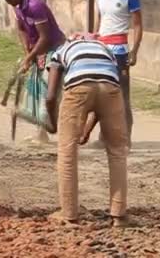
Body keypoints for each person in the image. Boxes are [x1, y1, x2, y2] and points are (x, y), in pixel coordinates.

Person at [45, 34, 130, 227]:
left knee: (67, 151)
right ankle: (119, 215)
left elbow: (50, 97)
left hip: (78, 88)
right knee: (117, 151)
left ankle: (68, 214)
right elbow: (104, 90)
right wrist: (87, 130)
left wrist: (52, 123)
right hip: (111, 90)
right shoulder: (105, 50)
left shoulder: (62, 50)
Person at [81, 0, 144, 145]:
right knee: (99, 93)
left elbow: (138, 26)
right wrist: (92, 40)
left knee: (122, 96)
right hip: (102, 48)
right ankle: (103, 136)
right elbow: (98, 21)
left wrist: (134, 51)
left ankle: (127, 138)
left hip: (120, 51)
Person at [0, 0, 66, 143]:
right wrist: (27, 50)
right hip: (38, 52)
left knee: (46, 91)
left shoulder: (35, 6)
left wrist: (29, 57)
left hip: (53, 50)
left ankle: (47, 132)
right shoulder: (18, 6)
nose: (9, 3)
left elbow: (46, 37)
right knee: (35, 91)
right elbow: (21, 29)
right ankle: (41, 133)